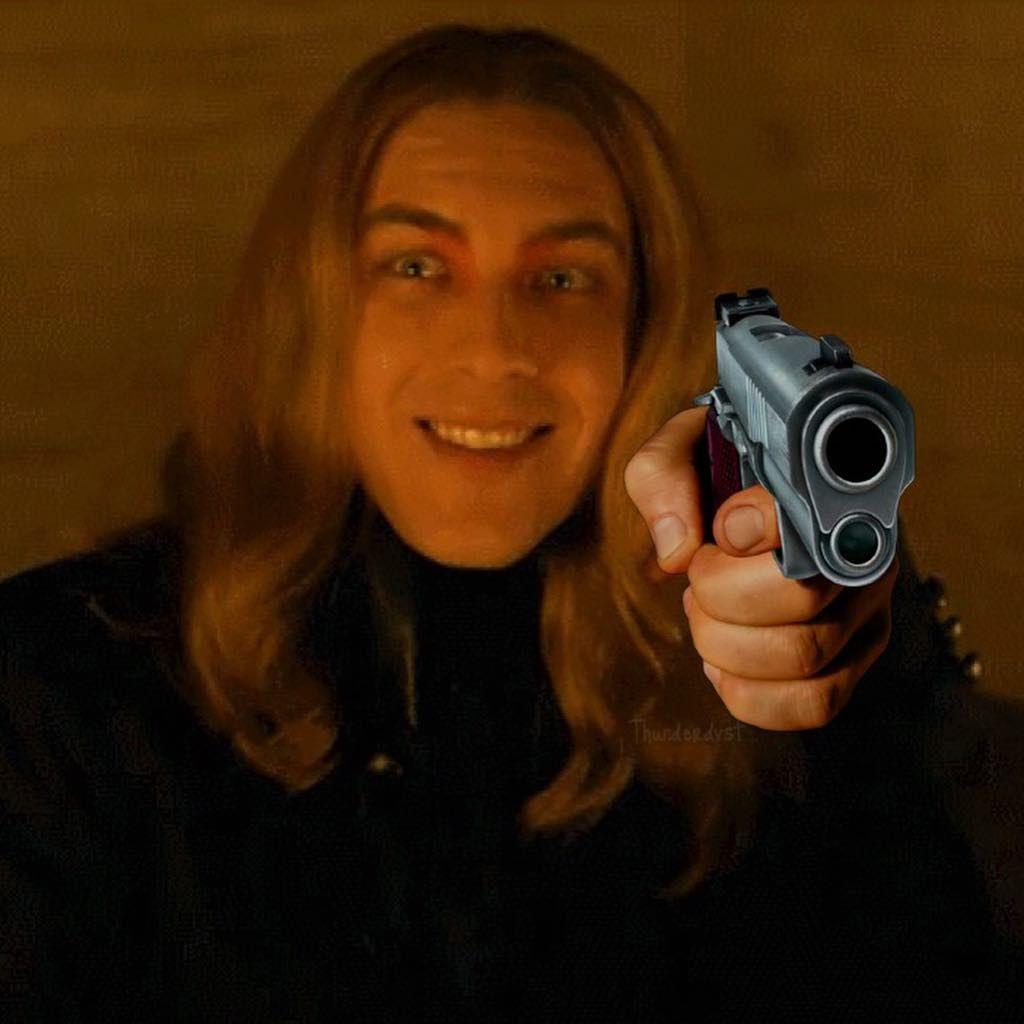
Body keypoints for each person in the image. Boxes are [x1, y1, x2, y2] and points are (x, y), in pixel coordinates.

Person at [0, 22, 1020, 1022]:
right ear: (311, 309)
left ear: (639, 335)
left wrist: (881, 656)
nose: (492, 349)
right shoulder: (63, 696)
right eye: (414, 266)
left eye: (562, 279)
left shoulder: (752, 689)